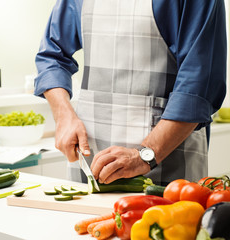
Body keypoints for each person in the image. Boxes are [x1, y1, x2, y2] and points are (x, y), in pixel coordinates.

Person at [34, 0, 227, 186]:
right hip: (89, 163)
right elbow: (52, 56)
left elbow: (199, 83)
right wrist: (64, 116)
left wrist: (145, 155)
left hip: (166, 167)